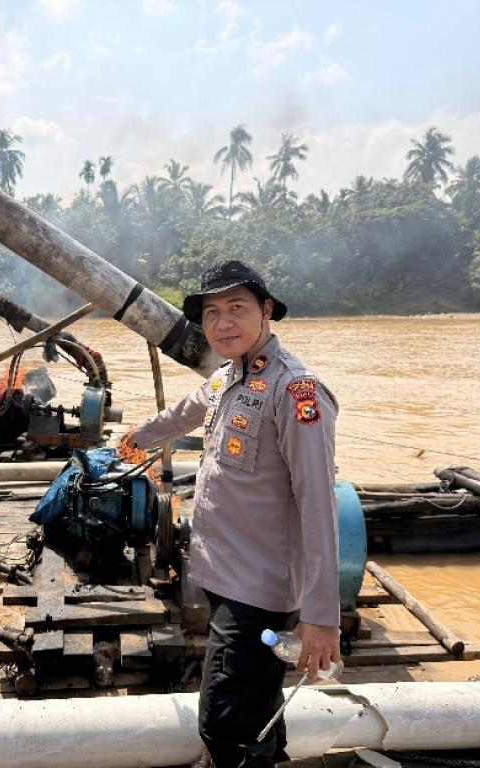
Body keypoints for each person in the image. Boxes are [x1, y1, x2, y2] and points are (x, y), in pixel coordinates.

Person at [123, 260, 341, 768]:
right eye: (213, 312)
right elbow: (184, 411)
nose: (223, 323)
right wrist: (135, 442)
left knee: (223, 723)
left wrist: (321, 617)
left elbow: (319, 508)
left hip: (258, 593)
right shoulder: (229, 378)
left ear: (267, 311)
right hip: (225, 575)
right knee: (256, 706)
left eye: (237, 309)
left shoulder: (297, 392)